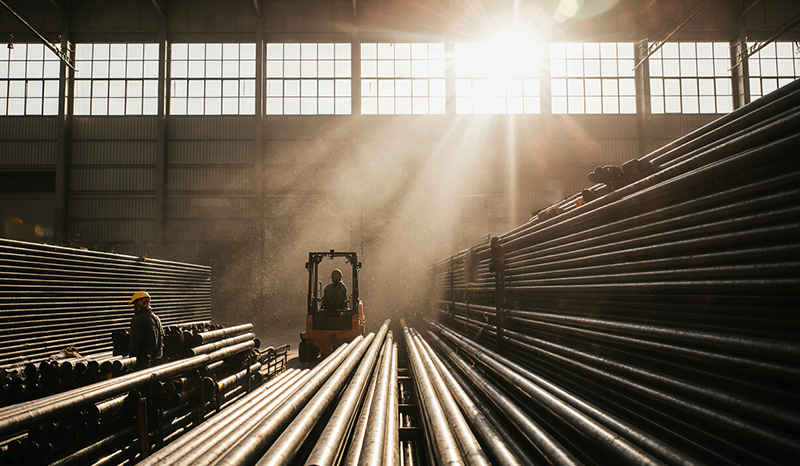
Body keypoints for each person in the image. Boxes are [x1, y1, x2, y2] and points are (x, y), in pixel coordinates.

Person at [128, 291, 163, 371]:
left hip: (142, 362)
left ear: (140, 303)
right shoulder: (156, 318)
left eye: (135, 304)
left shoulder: (137, 320)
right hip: (156, 361)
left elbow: (135, 342)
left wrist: (131, 360)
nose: (134, 307)